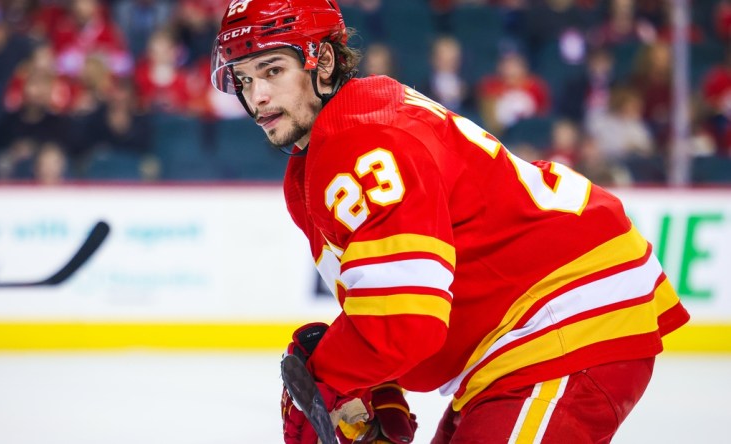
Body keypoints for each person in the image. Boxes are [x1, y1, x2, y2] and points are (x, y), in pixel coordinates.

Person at [209, 1, 690, 443]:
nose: (259, 96)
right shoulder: (334, 145)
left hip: (559, 322)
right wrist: (372, 386)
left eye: (273, 70)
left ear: (324, 63)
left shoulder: (360, 146)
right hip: (515, 337)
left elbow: (406, 324)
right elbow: (388, 297)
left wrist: (326, 376)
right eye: (246, 79)